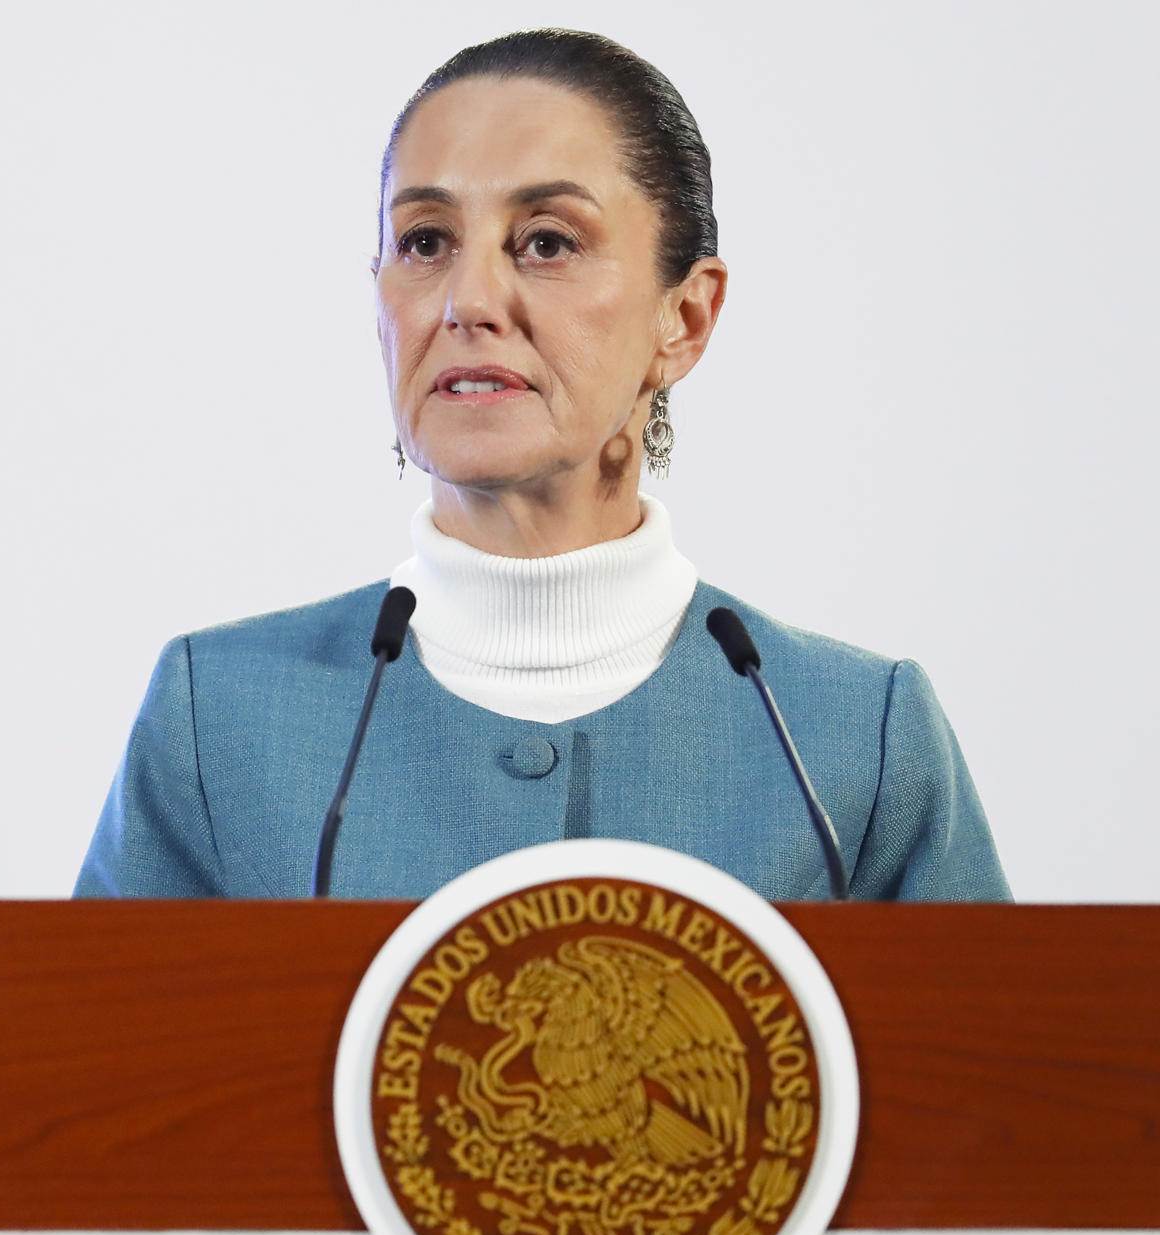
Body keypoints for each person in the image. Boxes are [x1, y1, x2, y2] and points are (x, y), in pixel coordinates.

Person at [74, 29, 1009, 903]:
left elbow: (982, 1077)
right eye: (425, 242)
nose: (467, 300)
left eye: (548, 242)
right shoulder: (219, 724)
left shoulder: (851, 742)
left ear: (682, 319)